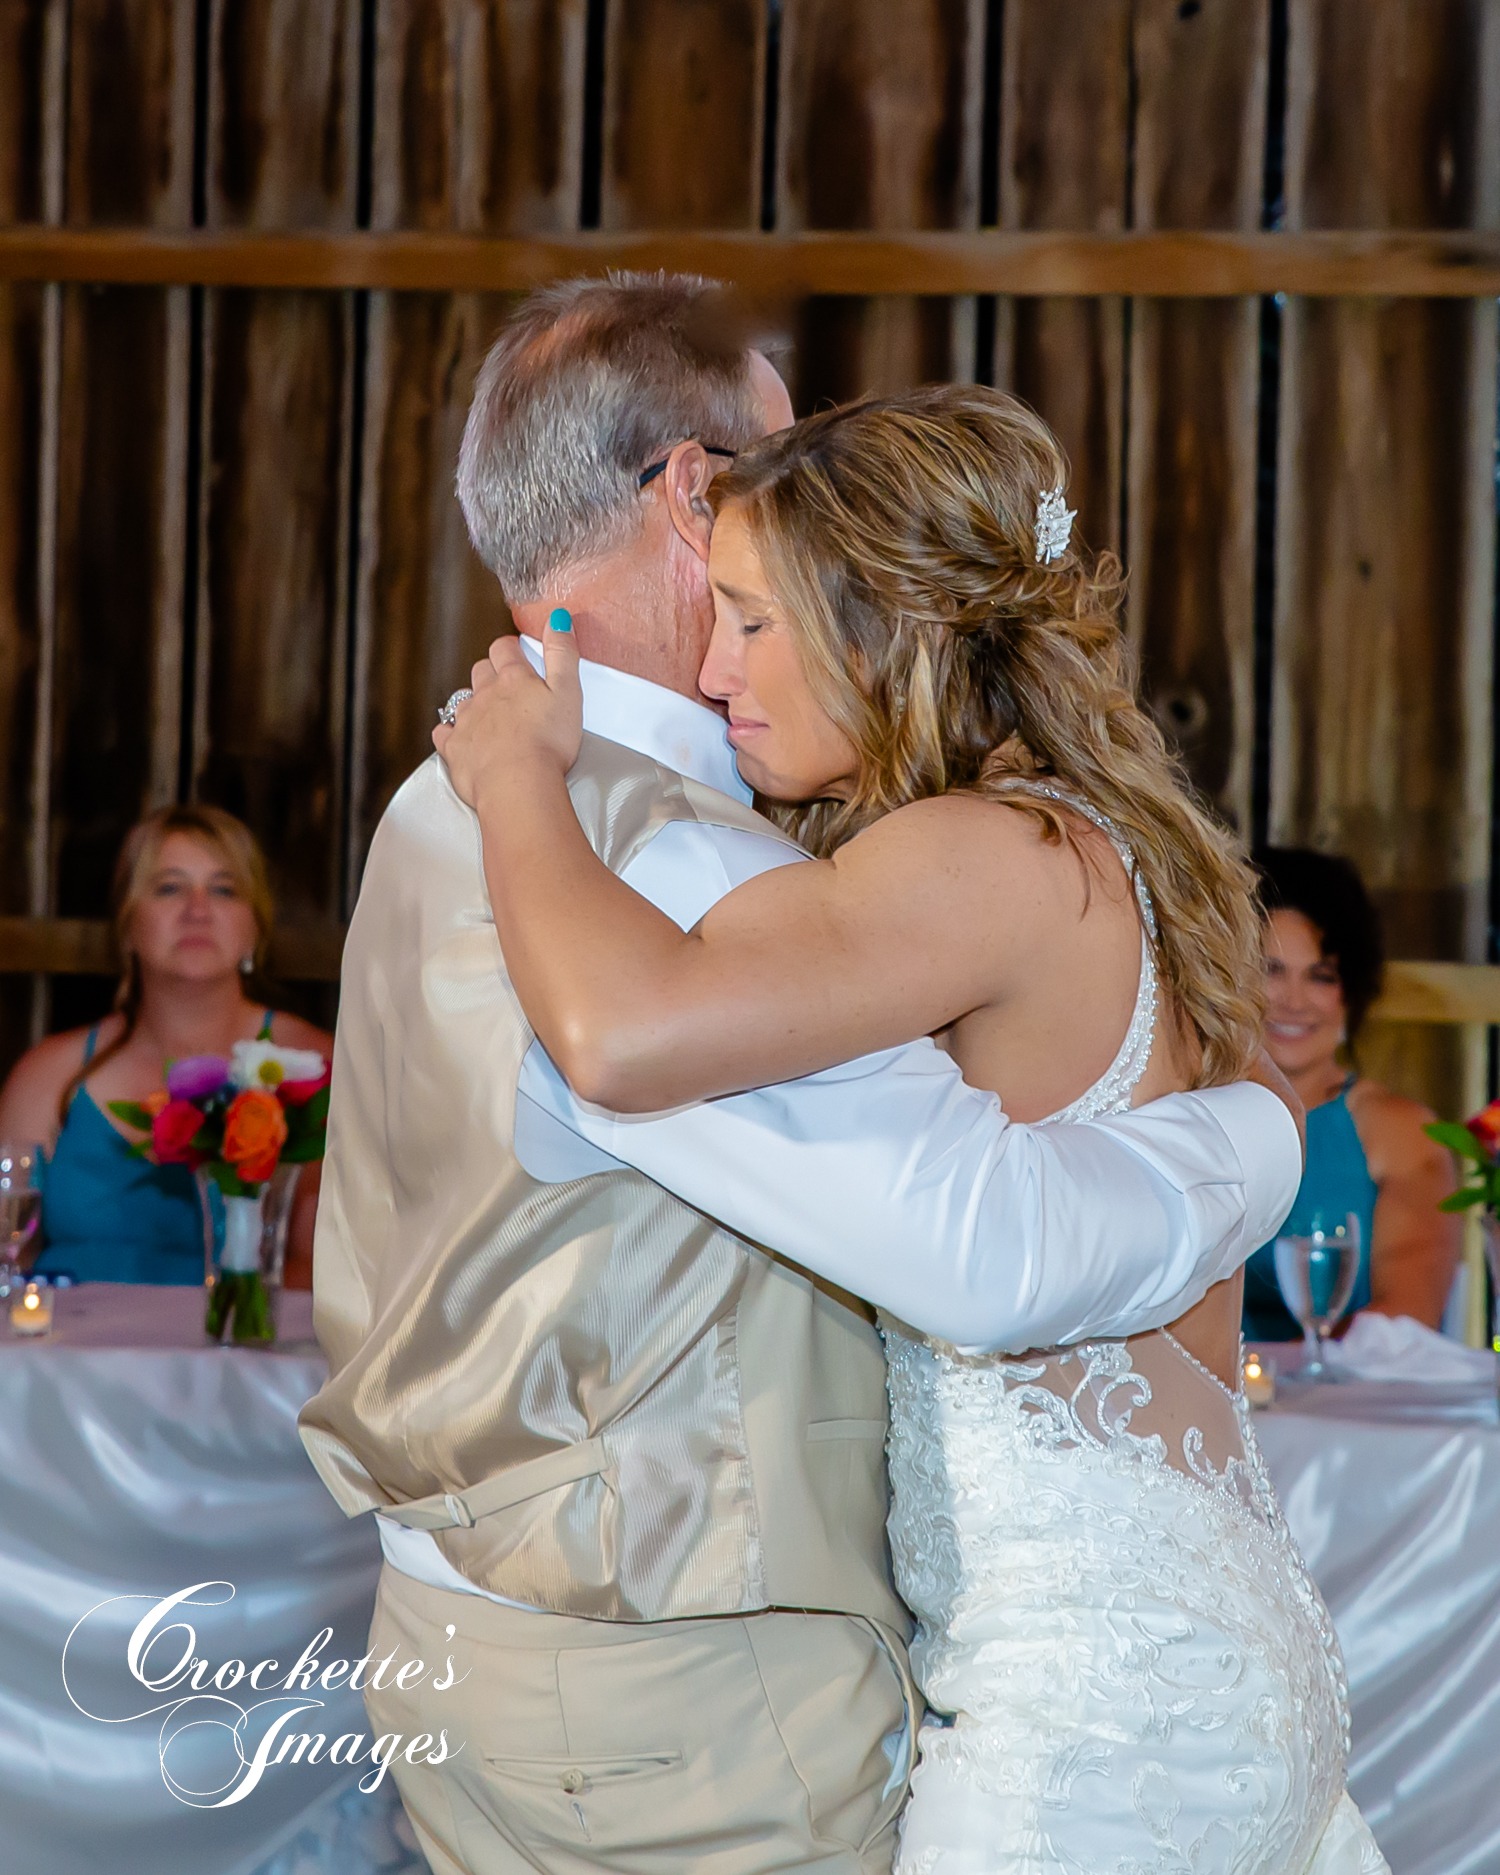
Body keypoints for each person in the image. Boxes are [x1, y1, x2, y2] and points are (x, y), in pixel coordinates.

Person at [301, 274, 1305, 1875]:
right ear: (695, 495)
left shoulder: (462, 792)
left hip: (471, 1638)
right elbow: (988, 1246)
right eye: (762, 521)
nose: (740, 649)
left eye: (779, 605)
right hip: (684, 1704)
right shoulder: (650, 856)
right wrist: (1252, 1146)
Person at [0, 805, 331, 1287]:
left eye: (223, 889)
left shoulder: (315, 1067)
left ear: (255, 928)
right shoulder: (50, 1074)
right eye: (169, 887)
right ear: (128, 924)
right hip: (68, 1357)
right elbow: (7, 1258)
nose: (197, 910)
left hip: (242, 1357)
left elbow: (328, 1270)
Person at [1241, 845, 1460, 1340]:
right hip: (1189, 1408)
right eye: (1270, 970)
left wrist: (1275, 1375)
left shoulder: (1401, 1131)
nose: (1293, 1001)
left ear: (1351, 994)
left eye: (1321, 977)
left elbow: (1407, 1317)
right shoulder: (1183, 1112)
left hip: (1339, 1403)